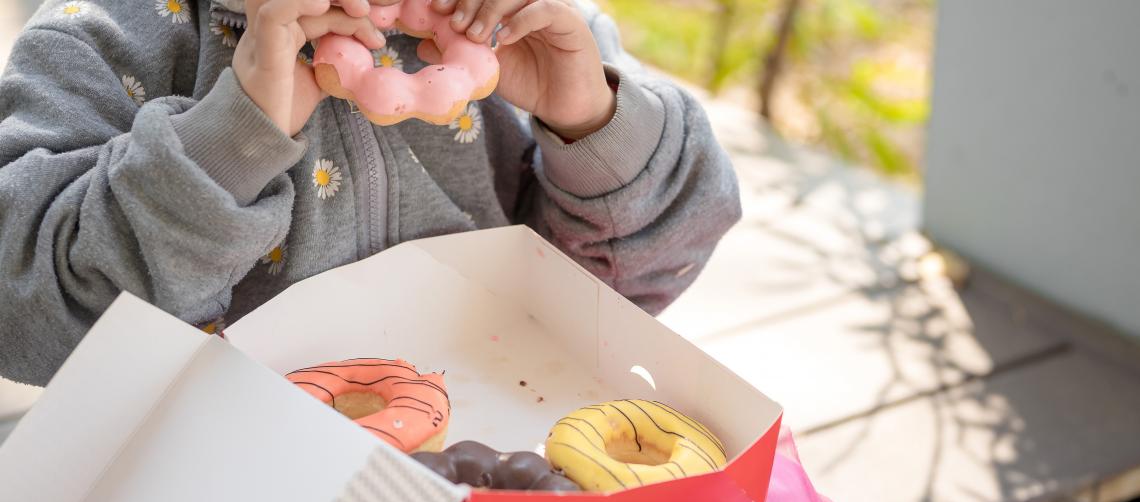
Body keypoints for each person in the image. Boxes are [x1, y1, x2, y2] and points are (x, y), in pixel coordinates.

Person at [0, 0, 740, 386]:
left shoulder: (534, 30)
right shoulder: (99, 41)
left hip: (498, 428)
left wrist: (591, 121)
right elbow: (23, 317)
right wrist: (230, 141)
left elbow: (628, 295)